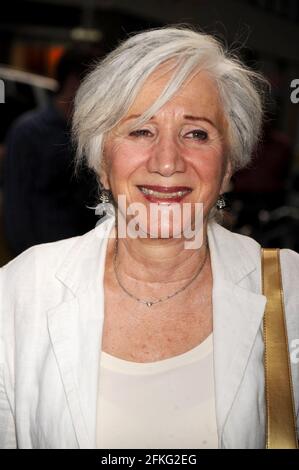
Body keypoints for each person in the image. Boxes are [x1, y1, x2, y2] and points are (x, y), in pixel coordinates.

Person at [0, 26, 298, 449]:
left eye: (196, 133)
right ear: (102, 159)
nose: (166, 161)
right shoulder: (20, 290)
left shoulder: (289, 288)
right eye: (141, 130)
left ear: (229, 164)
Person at [2, 48, 99, 256]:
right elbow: (17, 207)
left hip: (81, 256)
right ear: (74, 82)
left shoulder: (92, 135)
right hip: (40, 258)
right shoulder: (30, 131)